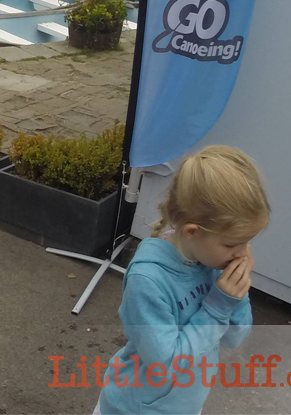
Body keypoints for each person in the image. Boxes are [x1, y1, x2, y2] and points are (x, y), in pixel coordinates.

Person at [95, 145, 270, 415]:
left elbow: (233, 339)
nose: (242, 253)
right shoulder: (149, 280)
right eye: (233, 244)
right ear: (192, 232)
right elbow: (165, 364)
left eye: (247, 242)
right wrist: (217, 307)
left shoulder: (213, 261)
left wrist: (237, 294)